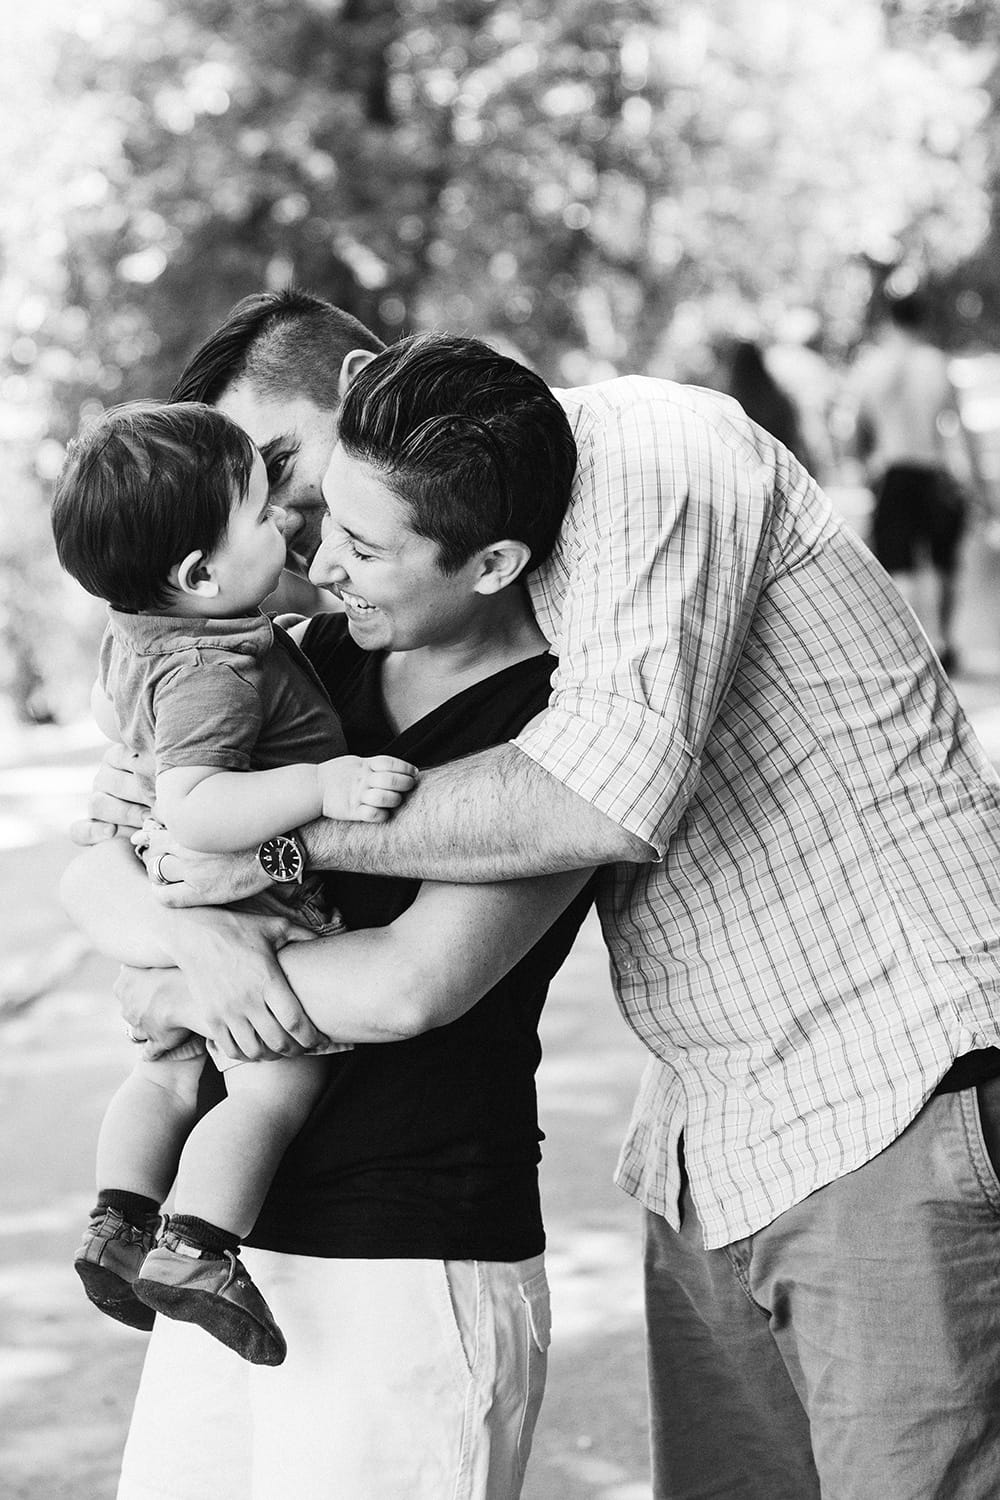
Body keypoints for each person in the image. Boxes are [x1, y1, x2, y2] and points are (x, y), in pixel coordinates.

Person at [79, 292, 1000, 1499]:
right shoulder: (311, 643)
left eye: (281, 468)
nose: (292, 527)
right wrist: (190, 948)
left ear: (364, 386)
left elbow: (592, 804)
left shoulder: (650, 468)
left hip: (883, 1074)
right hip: (715, 1116)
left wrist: (263, 861)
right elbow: (111, 848)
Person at [60, 336, 596, 1500]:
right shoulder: (294, 656)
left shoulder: (552, 733)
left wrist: (169, 982)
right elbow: (96, 869)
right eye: (321, 521)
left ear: (493, 561)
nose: (318, 554)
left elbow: (414, 983)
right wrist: (190, 935)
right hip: (222, 1245)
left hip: (408, 1253)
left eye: (365, 544)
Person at [51, 400, 417, 1366]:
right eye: (263, 513)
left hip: (165, 902)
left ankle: (118, 1223)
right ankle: (199, 1246)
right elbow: (203, 808)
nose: (290, 524)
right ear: (198, 575)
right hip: (250, 903)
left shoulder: (136, 633)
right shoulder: (216, 666)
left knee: (165, 1071)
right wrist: (322, 784)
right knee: (267, 1089)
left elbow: (111, 709)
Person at [849, 285, 988, 675]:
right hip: (934, 474)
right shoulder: (937, 363)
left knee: (899, 562)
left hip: (894, 473)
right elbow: (963, 433)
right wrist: (981, 489)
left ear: (890, 321)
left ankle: (909, 648)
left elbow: (856, 433)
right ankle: (943, 641)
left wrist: (865, 474)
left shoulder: (872, 366)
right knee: (944, 563)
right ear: (923, 320)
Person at [725, 336, 814, 470]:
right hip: (780, 467)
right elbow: (794, 436)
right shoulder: (780, 399)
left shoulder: (730, 404)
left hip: (747, 470)